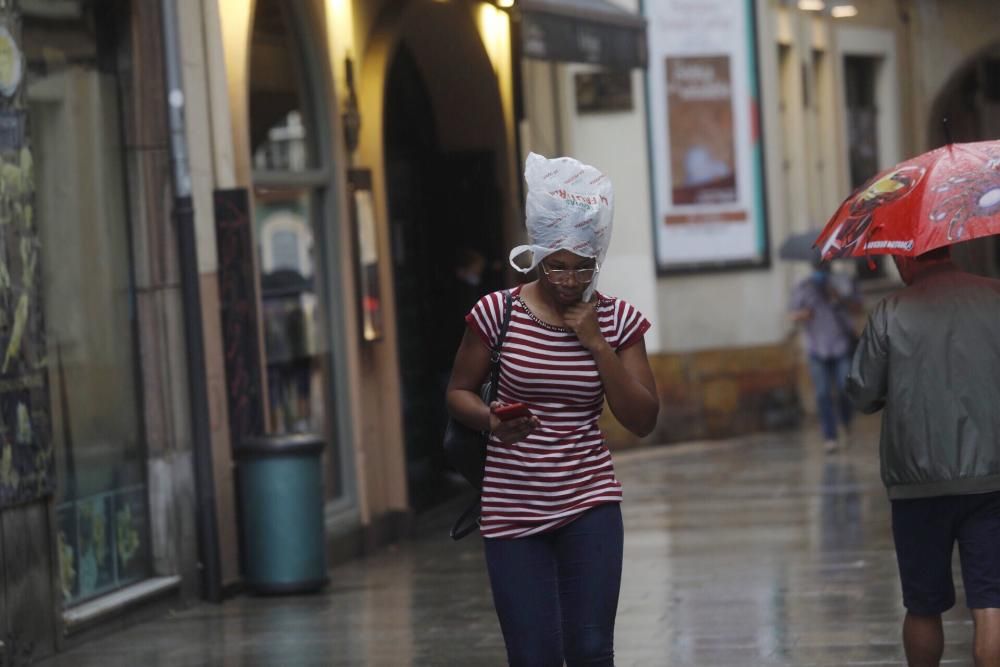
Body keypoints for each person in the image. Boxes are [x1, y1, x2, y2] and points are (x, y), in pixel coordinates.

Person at [446, 154, 659, 666]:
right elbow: (458, 392)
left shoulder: (618, 320)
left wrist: (598, 345)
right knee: (533, 654)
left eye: (581, 267)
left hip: (590, 503)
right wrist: (493, 421)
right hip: (511, 508)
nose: (568, 279)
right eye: (556, 266)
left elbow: (644, 418)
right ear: (538, 256)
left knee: (589, 650)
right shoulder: (497, 314)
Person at [848, 247, 1000, 667]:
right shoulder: (995, 295)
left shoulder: (890, 311)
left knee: (923, 604)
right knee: (992, 601)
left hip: (917, 483)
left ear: (906, 259)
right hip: (992, 477)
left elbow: (862, 393)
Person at [789, 259, 863, 452]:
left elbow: (858, 307)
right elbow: (793, 314)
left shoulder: (843, 281)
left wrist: (838, 297)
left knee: (844, 389)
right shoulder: (804, 286)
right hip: (816, 348)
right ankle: (830, 436)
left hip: (840, 346)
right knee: (822, 394)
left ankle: (846, 423)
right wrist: (803, 314)